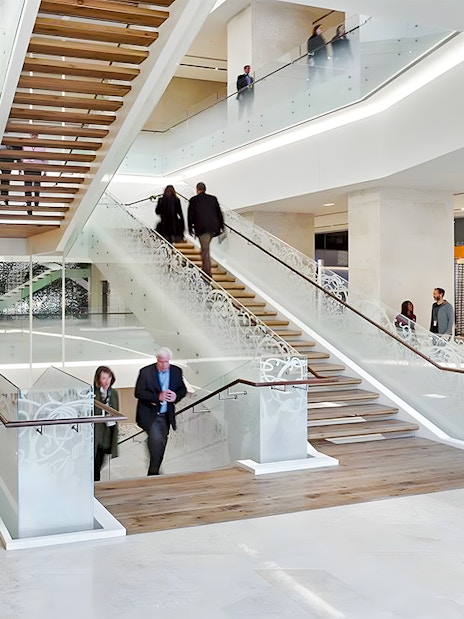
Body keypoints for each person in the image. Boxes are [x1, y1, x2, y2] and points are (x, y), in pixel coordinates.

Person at [134, 347, 187, 476]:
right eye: (161, 362)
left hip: (166, 415)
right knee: (157, 440)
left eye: (166, 362)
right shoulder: (146, 372)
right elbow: (138, 393)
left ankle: (155, 467)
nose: (164, 365)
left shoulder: (176, 372)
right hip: (150, 415)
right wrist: (157, 397)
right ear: (157, 360)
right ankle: (153, 472)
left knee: (161, 443)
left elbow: (182, 390)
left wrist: (176, 396)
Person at [187, 182, 224, 277]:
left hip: (202, 228)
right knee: (205, 248)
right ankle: (206, 271)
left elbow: (190, 215)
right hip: (213, 228)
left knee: (205, 249)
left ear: (197, 189)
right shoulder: (213, 199)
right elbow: (219, 213)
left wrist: (190, 227)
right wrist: (221, 226)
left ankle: (207, 273)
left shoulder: (194, 200)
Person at [93, 365, 119, 482]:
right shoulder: (93, 393)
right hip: (96, 433)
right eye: (103, 378)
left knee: (101, 460)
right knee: (95, 462)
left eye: (108, 377)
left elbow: (117, 412)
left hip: (108, 432)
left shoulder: (113, 393)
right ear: (98, 379)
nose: (107, 381)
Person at [22, 132, 46, 215]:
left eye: (35, 135)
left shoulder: (41, 145)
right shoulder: (25, 144)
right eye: (32, 134)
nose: (34, 136)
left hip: (37, 167)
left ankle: (36, 204)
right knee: (28, 187)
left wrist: (45, 170)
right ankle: (29, 206)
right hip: (27, 167)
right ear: (30, 135)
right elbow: (22, 156)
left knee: (37, 186)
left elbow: (45, 157)